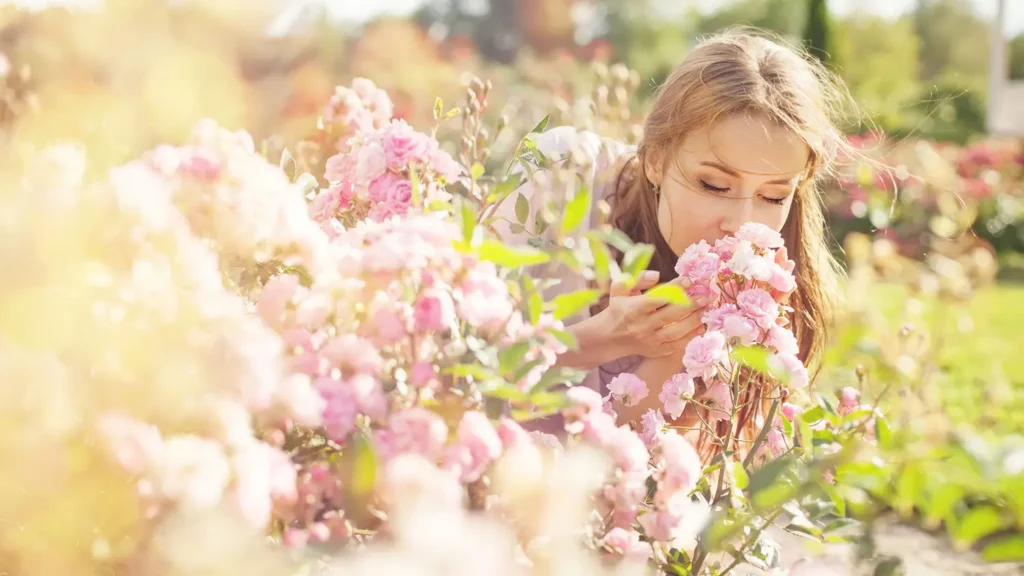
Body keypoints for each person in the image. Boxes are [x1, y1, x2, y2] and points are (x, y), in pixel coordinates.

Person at [494, 30, 850, 448]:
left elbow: (619, 470)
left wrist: (683, 354)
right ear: (657, 159)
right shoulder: (561, 176)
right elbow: (446, 371)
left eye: (773, 195)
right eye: (714, 185)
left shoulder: (761, 300)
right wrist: (599, 337)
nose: (740, 223)